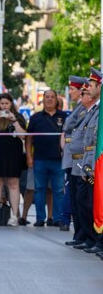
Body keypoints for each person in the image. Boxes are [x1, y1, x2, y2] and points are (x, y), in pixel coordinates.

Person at [69, 69, 101, 253]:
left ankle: (95, 239)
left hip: (92, 165)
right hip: (87, 164)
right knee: (84, 201)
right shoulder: (92, 110)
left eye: (90, 86)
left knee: (90, 201)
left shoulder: (98, 111)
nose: (86, 88)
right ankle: (91, 238)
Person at [25, 89, 67, 228]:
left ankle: (57, 218)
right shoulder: (36, 117)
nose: (49, 99)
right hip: (39, 159)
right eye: (47, 97)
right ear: (43, 99)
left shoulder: (64, 116)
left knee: (58, 191)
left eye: (52, 97)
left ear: (56, 99)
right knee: (40, 190)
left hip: (59, 160)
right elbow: (29, 138)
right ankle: (40, 218)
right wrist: (29, 157)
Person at [0, 93, 27, 226]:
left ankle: (14, 215)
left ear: (11, 104)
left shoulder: (18, 117)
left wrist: (13, 120)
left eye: (6, 103)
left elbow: (23, 136)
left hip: (13, 153)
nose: (4, 106)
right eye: (1, 103)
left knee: (13, 183)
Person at [63, 76, 91, 245]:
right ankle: (80, 235)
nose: (71, 92)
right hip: (73, 159)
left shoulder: (85, 109)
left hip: (81, 161)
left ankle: (86, 235)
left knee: (83, 200)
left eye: (73, 89)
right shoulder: (80, 107)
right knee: (76, 199)